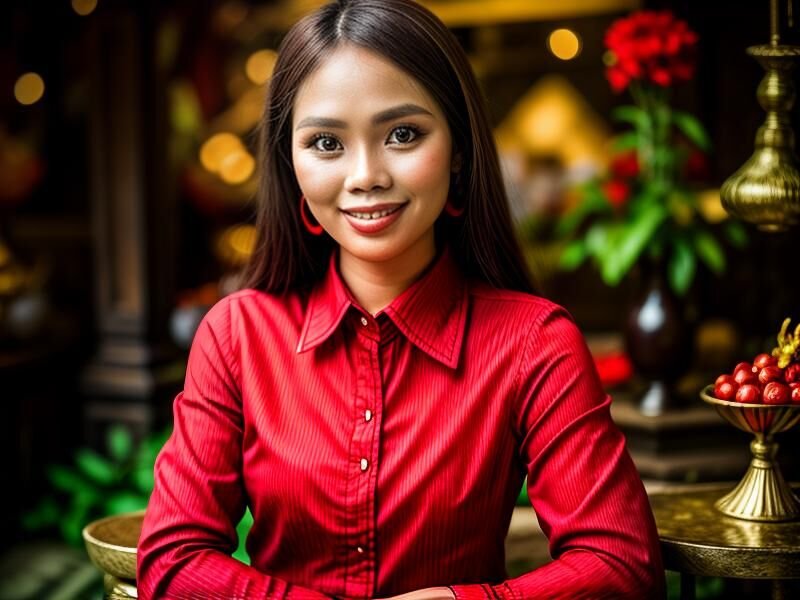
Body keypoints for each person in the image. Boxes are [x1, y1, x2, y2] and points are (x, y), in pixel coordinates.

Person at [137, 0, 665, 598]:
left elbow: (621, 566)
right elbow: (172, 561)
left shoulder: (534, 343)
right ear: (290, 161)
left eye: (403, 134)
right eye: (326, 142)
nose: (366, 175)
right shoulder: (237, 335)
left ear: (459, 147)